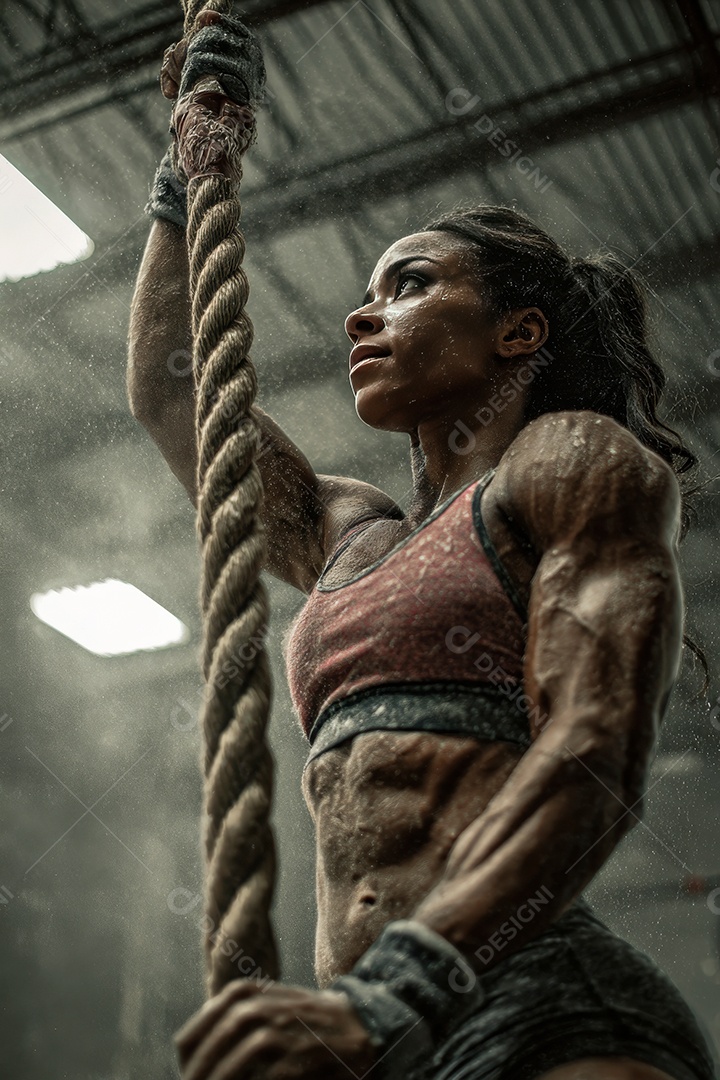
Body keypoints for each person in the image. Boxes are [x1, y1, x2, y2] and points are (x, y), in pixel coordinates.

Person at [126, 13, 716, 1080]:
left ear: (518, 335)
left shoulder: (571, 463)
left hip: (543, 1016)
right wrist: (187, 172)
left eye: (409, 284)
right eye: (362, 294)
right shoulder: (348, 534)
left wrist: (403, 990)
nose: (361, 316)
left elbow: (596, 746)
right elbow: (178, 387)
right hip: (389, 1039)